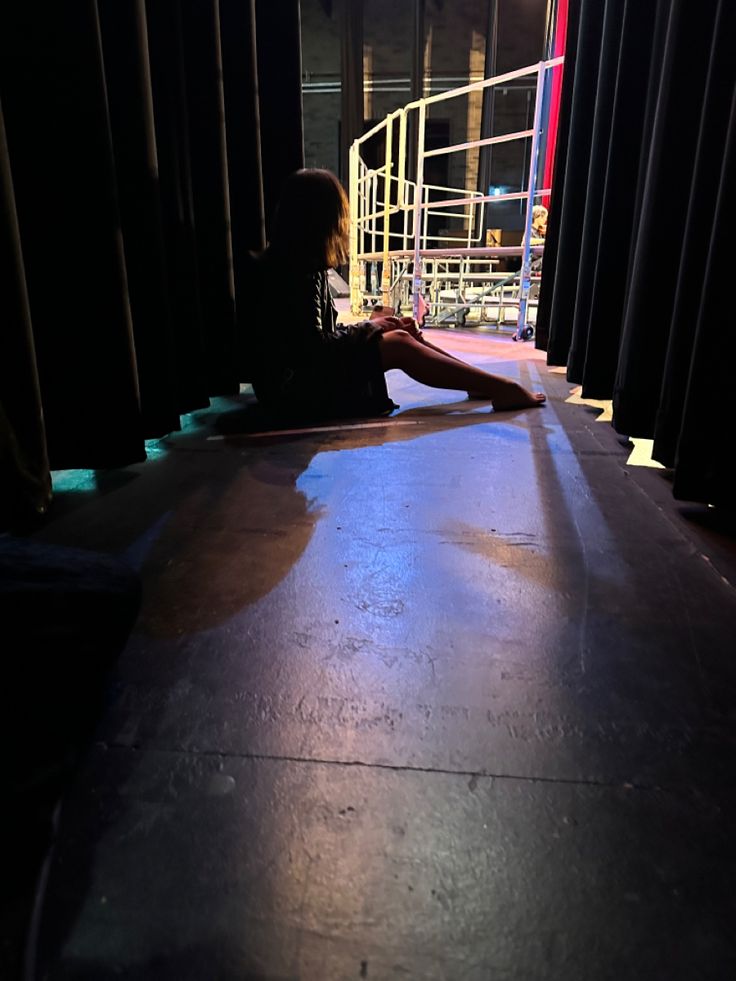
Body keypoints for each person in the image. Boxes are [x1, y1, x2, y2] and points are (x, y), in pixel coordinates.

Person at [249, 169, 546, 418]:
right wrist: (369, 327)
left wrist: (369, 326)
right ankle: (501, 388)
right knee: (399, 343)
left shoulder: (297, 261)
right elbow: (311, 351)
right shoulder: (293, 269)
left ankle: (480, 382)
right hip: (292, 394)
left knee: (401, 327)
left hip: (299, 380)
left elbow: (311, 341)